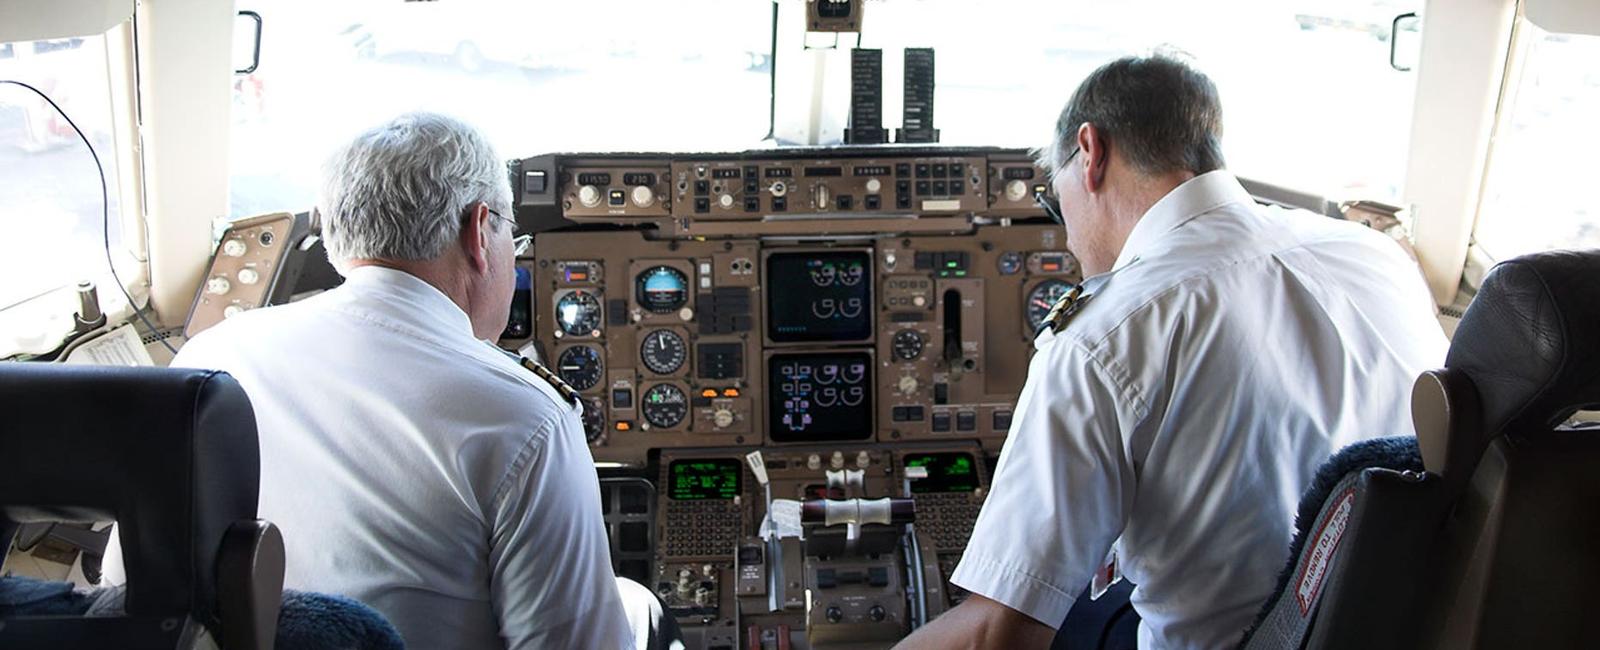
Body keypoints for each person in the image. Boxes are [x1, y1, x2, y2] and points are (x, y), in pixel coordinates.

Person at [896, 55, 1448, 649]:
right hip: (1388, 620)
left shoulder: (1101, 338)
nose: (1066, 233)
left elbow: (997, 637)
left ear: (1091, 153)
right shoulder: (1372, 254)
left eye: (1055, 204)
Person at [140, 112, 648, 648]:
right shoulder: (526, 419)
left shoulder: (212, 357)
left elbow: (130, 588)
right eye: (512, 236)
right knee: (641, 608)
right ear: (479, 231)